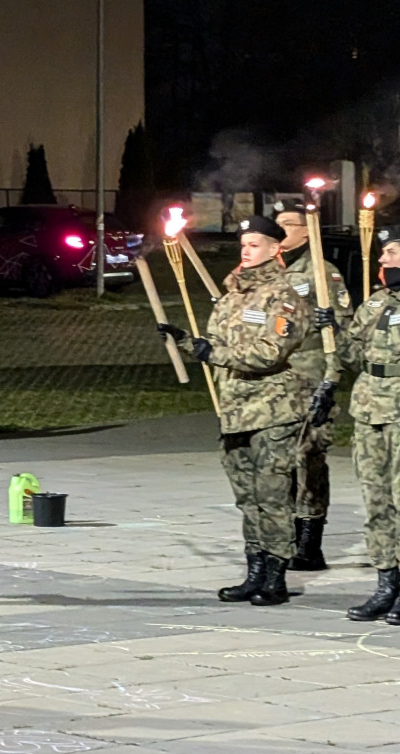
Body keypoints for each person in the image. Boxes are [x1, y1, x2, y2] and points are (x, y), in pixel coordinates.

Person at [159, 215, 310, 606]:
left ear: (276, 249)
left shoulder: (285, 296)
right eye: (244, 244)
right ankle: (254, 570)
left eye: (256, 244)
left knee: (272, 492)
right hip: (235, 409)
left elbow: (270, 352)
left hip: (273, 407)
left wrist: (214, 352)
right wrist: (188, 343)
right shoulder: (231, 296)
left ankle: (275, 573)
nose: (247, 250)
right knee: (246, 495)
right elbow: (216, 343)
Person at [321, 227, 400, 624]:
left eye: (391, 253)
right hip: (369, 410)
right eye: (382, 253)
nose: (383, 260)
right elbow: (352, 354)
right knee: (376, 502)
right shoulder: (375, 304)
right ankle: (385, 584)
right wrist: (332, 327)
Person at [272, 200, 354, 570]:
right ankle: (282, 535)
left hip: (310, 375)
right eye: (278, 225)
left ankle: (309, 540)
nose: (281, 231)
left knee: (308, 458)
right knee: (275, 461)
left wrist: (331, 378)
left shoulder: (322, 273)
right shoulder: (260, 272)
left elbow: (339, 332)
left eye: (289, 224)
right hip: (272, 379)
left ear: (308, 231)